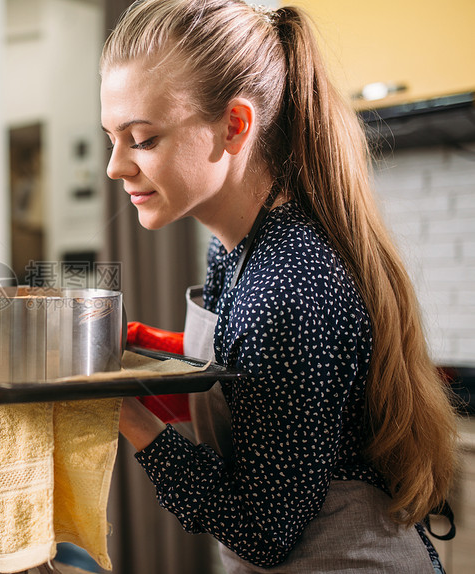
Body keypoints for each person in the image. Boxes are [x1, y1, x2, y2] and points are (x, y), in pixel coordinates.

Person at [100, 0, 459, 572]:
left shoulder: (288, 287)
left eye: (141, 139)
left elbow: (261, 529)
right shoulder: (237, 248)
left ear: (235, 126)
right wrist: (126, 352)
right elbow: (244, 377)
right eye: (111, 138)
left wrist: (121, 410)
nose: (115, 167)